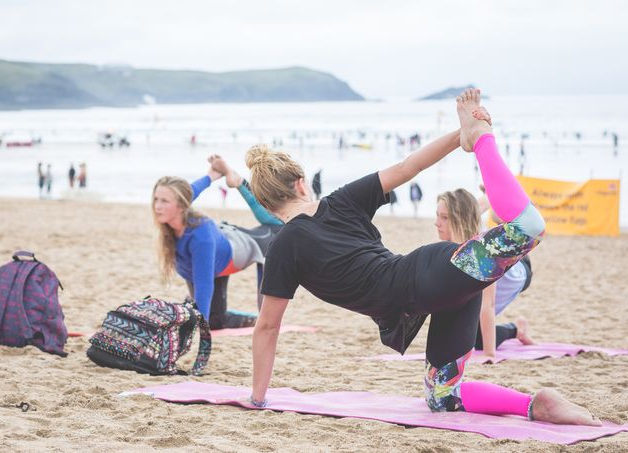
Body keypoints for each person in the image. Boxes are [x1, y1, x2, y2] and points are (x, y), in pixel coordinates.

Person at [247, 88, 600, 426]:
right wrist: (457, 136)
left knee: (528, 227)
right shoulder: (340, 201)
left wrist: (258, 397)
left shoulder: (283, 247)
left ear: (266, 203)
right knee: (442, 397)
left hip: (428, 280)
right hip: (438, 288)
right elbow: (407, 167)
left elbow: (267, 326)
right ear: (301, 183)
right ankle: (535, 404)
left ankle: (483, 141)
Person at [152, 156, 282, 330]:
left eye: (164, 201)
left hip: (239, 247)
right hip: (216, 253)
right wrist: (210, 176)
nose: (157, 206)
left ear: (181, 205)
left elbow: (204, 286)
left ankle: (239, 181)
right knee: (215, 321)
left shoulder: (200, 236)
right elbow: (188, 191)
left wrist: (201, 332)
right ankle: (243, 318)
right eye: (156, 199)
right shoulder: (171, 220)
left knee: (277, 228)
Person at [435, 188, 534, 358]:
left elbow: (487, 305)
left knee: (476, 335)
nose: (436, 223)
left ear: (460, 219)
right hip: (499, 265)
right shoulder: (465, 220)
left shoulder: (480, 253)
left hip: (519, 270)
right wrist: (490, 192)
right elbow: (480, 203)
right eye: (437, 215)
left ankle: (518, 329)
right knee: (471, 336)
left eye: (444, 217)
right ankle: (517, 329)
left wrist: (489, 355)